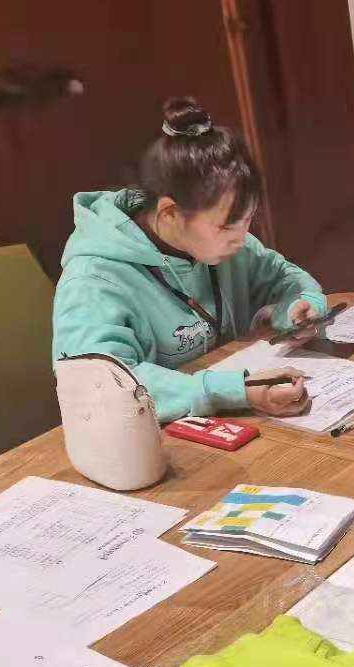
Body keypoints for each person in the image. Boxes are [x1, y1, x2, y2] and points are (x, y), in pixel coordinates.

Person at [53, 98, 324, 423]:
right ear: (170, 213)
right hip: (155, 440)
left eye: (248, 220)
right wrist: (230, 392)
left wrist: (298, 307)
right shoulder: (94, 281)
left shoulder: (227, 247)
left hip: (237, 421)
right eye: (227, 226)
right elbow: (102, 387)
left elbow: (287, 278)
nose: (241, 239)